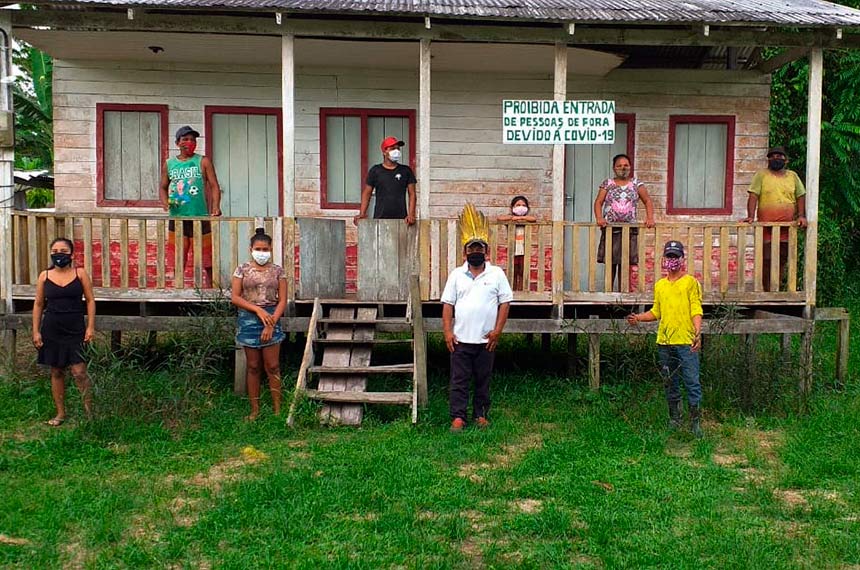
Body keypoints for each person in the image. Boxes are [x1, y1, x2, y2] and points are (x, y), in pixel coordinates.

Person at [442, 204, 513, 432]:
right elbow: (447, 305)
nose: (476, 253)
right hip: (461, 340)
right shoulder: (456, 275)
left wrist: (497, 331)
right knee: (459, 381)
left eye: (479, 249)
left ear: (486, 252)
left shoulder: (497, 274)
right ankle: (458, 417)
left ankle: (481, 414)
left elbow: (505, 303)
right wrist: (447, 333)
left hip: (486, 340)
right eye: (472, 249)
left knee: (483, 379)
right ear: (465, 253)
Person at [627, 241, 704, 438]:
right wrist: (639, 318)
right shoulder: (660, 285)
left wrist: (697, 332)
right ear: (664, 260)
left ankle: (695, 423)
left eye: (675, 257)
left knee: (691, 381)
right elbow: (656, 312)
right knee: (670, 382)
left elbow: (696, 309)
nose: (672, 260)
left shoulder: (690, 283)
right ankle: (674, 419)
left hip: (685, 341)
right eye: (669, 256)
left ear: (682, 260)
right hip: (665, 342)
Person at [32, 238, 96, 426]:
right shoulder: (44, 276)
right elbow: (38, 304)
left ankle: (89, 413)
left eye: (63, 250)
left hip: (75, 327)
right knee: (57, 370)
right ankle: (60, 413)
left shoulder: (80, 273)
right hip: (52, 327)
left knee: (79, 371)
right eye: (55, 250)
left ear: (72, 254)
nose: (59, 253)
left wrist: (90, 327)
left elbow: (90, 300)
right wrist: (36, 331)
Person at [231, 228, 287, 421]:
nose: (261, 252)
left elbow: (282, 300)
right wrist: (258, 310)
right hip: (249, 317)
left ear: (270, 249)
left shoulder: (278, 271)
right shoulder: (242, 269)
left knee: (272, 365)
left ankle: (278, 409)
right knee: (253, 366)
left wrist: (271, 323)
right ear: (251, 249)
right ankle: (254, 410)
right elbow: (235, 297)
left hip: (272, 317)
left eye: (265, 249)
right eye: (258, 248)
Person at [160, 125, 223, 287]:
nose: (189, 142)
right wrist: (165, 202)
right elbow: (162, 187)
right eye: (185, 139)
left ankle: (210, 289)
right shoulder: (169, 164)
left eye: (193, 140)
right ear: (177, 143)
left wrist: (216, 206)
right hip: (177, 217)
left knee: (206, 257)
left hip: (199, 216)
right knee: (178, 256)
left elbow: (214, 185)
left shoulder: (203, 161)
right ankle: (178, 288)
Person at [741, 146, 808, 291]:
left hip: (786, 228)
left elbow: (800, 196)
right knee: (766, 259)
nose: (776, 158)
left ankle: (776, 288)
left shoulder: (793, 176)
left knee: (782, 258)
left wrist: (802, 216)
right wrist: (750, 216)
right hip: (766, 228)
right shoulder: (762, 175)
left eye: (779, 156)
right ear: (768, 160)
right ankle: (766, 290)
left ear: (786, 160)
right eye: (772, 156)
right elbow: (753, 196)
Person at [593, 153, 655, 291]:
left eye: (626, 165)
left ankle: (623, 294)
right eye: (619, 165)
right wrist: (599, 218)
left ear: (630, 167)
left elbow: (647, 201)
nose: (623, 168)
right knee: (610, 262)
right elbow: (598, 202)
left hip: (629, 229)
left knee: (625, 263)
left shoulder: (637, 184)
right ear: (614, 168)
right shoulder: (607, 184)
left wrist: (650, 217)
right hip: (610, 229)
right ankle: (608, 293)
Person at [353, 136, 417, 226]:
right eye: (392, 148)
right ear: (384, 152)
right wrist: (362, 213)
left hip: (402, 220)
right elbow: (367, 192)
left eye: (398, 149)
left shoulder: (406, 170)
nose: (396, 151)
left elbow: (412, 193)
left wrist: (411, 214)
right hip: (380, 218)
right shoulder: (375, 170)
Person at [497, 195, 537, 291]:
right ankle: (513, 290)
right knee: (513, 272)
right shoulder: (510, 219)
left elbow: (533, 219)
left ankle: (522, 290)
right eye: (518, 205)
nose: (521, 207)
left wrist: (522, 219)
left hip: (524, 249)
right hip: (513, 249)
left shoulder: (527, 219)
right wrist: (513, 218)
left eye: (523, 205)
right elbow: (500, 218)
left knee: (523, 271)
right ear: (512, 208)